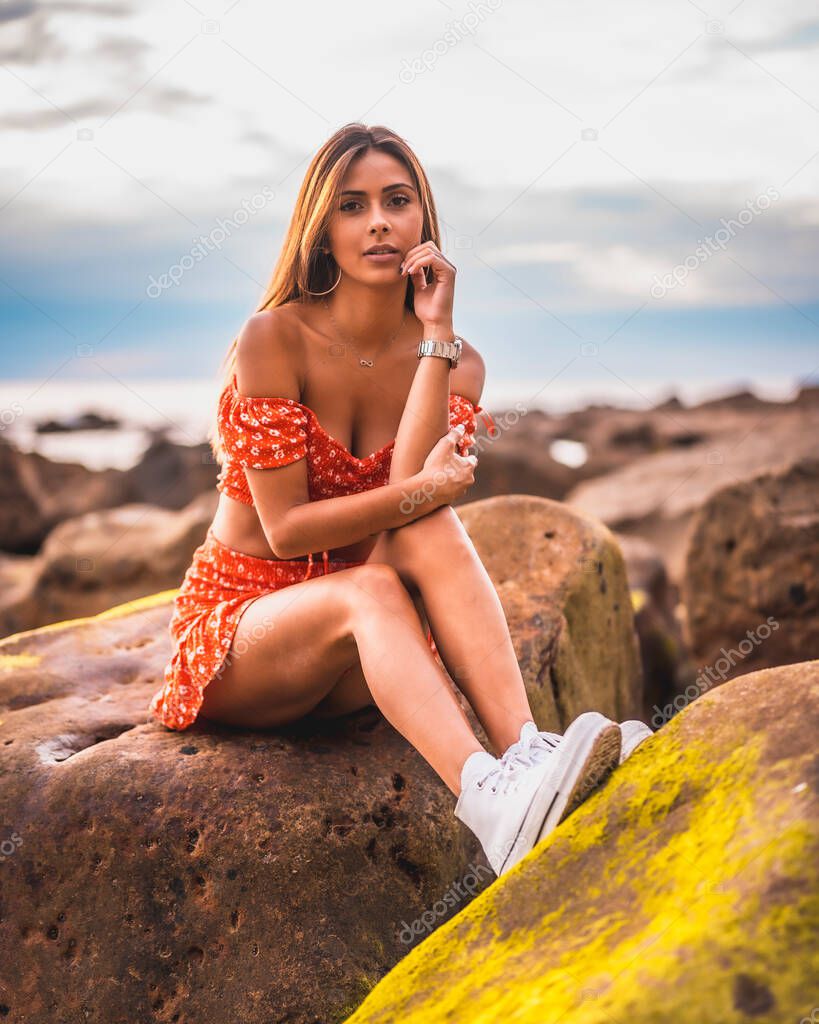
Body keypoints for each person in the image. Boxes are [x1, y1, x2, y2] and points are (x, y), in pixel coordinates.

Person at [147, 122, 652, 876]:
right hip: (244, 641)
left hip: (355, 662)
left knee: (429, 528)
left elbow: (408, 500)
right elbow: (284, 533)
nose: (378, 220)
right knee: (375, 585)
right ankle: (487, 800)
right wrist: (422, 492)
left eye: (396, 200)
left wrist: (436, 334)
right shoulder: (272, 339)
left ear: (424, 219)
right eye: (351, 206)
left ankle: (526, 752)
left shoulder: (456, 359)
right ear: (321, 232)